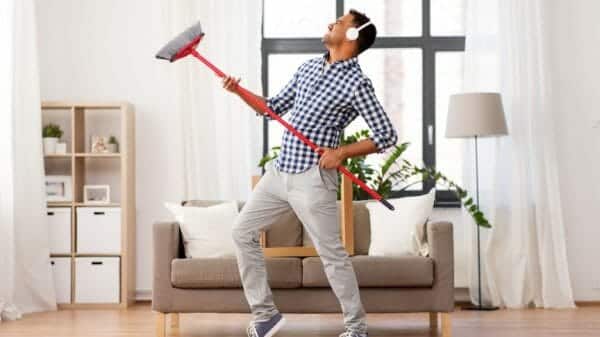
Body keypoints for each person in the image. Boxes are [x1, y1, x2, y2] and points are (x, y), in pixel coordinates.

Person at [222, 9, 398, 337]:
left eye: (340, 22)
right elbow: (272, 108)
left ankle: (356, 328)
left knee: (332, 255)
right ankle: (265, 316)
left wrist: (341, 152)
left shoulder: (356, 83)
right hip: (278, 172)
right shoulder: (308, 67)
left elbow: (386, 135)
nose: (331, 24)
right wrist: (238, 92)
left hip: (312, 179)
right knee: (241, 232)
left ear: (351, 36)